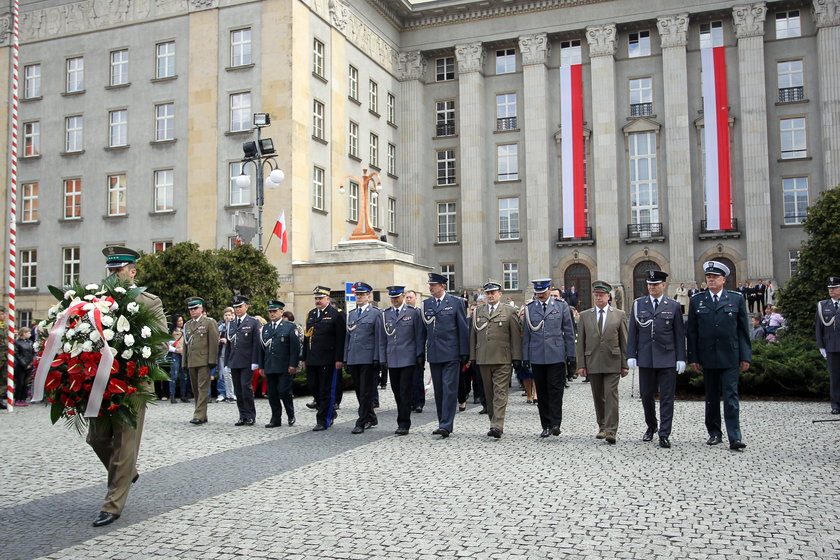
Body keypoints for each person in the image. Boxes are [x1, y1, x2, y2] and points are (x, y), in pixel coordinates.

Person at [88, 246, 166, 527]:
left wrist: (131, 353)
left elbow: (160, 343)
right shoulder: (95, 301)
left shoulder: (148, 302)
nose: (113, 275)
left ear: (132, 272)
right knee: (96, 438)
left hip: (133, 381)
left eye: (118, 270)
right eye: (110, 270)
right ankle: (128, 470)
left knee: (124, 442)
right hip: (100, 380)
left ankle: (113, 504)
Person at [686, 260, 751, 451]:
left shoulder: (736, 299)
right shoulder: (698, 300)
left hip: (730, 355)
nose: (711, 280)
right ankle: (714, 433)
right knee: (711, 397)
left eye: (714, 277)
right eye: (708, 277)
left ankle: (735, 436)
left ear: (724, 279)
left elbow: (743, 331)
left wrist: (745, 356)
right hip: (708, 355)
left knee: (731, 396)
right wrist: (694, 357)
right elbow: (692, 332)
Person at [626, 270, 686, 448]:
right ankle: (651, 426)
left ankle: (664, 433)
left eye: (655, 284)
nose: (652, 287)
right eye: (649, 284)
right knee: (646, 395)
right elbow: (633, 332)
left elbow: (679, 334)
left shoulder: (673, 305)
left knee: (667, 397)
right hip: (646, 357)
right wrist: (631, 355)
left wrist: (681, 358)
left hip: (667, 357)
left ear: (663, 285)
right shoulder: (638, 304)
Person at [576, 280, 628, 444]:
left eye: (601, 295)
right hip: (593, 361)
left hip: (612, 360)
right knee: (598, 396)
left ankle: (612, 430)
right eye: (596, 295)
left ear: (608, 296)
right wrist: (581, 364)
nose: (598, 298)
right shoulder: (585, 315)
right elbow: (580, 342)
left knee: (611, 395)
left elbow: (624, 340)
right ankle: (602, 426)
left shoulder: (619, 315)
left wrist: (625, 364)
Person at [522, 278, 576, 438]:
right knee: (543, 392)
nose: (541, 295)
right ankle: (545, 425)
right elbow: (527, 335)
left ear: (549, 290)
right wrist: (525, 357)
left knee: (556, 390)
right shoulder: (530, 308)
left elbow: (568, 332)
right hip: (537, 355)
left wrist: (571, 354)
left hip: (556, 355)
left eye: (543, 292)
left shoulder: (561, 306)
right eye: (538, 293)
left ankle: (555, 423)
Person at [469, 281, 522, 439]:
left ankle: (497, 425)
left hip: (502, 358)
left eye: (493, 293)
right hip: (484, 358)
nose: (490, 296)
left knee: (500, 392)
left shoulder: (509, 311)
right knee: (489, 392)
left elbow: (515, 337)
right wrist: (473, 356)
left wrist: (517, 357)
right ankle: (493, 420)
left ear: (500, 294)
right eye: (488, 293)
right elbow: (473, 335)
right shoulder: (479, 311)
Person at [422, 272, 469, 439]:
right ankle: (442, 420)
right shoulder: (426, 304)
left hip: (451, 353)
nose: (430, 287)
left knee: (449, 389)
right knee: (440, 391)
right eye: (430, 285)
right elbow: (423, 331)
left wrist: (464, 352)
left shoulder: (456, 303)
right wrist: (421, 353)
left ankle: (446, 424)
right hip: (434, 352)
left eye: (433, 285)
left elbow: (463, 329)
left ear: (442, 286)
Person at [381, 286, 426, 435]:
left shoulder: (413, 313)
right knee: (396, 391)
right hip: (392, 358)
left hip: (408, 358)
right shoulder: (386, 314)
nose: (394, 299)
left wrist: (420, 354)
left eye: (397, 297)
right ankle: (402, 418)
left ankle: (404, 423)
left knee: (405, 391)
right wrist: (382, 358)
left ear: (403, 296)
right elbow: (383, 339)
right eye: (392, 297)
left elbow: (419, 335)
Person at [302, 286, 346, 431]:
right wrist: (304, 357)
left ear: (327, 298)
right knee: (314, 388)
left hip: (328, 358)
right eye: (316, 298)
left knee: (325, 390)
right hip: (313, 358)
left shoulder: (336, 314)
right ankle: (329, 412)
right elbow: (307, 337)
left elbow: (340, 339)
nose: (318, 301)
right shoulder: (311, 314)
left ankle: (323, 420)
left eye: (320, 298)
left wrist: (339, 359)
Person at [344, 282, 385, 434]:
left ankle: (361, 421)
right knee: (359, 391)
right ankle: (371, 417)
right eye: (358, 295)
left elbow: (378, 338)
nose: (359, 297)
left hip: (368, 358)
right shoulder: (352, 314)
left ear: (368, 296)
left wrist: (377, 358)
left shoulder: (376, 313)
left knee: (366, 392)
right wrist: (346, 358)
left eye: (362, 295)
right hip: (354, 357)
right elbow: (348, 338)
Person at [259, 300, 299, 427]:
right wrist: (261, 366)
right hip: (270, 365)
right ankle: (275, 418)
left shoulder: (290, 327)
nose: (272, 314)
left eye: (274, 311)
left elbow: (295, 348)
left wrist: (293, 364)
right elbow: (261, 349)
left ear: (281, 312)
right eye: (270, 311)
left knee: (284, 391)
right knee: (272, 394)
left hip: (284, 366)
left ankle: (290, 414)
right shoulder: (265, 328)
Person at [182, 297, 220, 425]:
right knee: (196, 389)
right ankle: (202, 414)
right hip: (192, 361)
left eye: (195, 308)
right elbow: (185, 345)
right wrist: (184, 362)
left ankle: (198, 414)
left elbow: (214, 343)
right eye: (190, 309)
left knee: (202, 388)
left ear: (201, 308)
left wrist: (212, 360)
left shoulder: (209, 322)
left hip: (204, 360)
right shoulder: (187, 325)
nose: (193, 311)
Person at [225, 295, 260, 426]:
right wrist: (227, 363)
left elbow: (256, 343)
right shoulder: (231, 323)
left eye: (240, 306)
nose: (238, 309)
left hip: (247, 361)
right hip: (234, 361)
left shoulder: (252, 322)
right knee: (238, 390)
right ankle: (242, 415)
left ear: (246, 307)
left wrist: (255, 361)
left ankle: (251, 415)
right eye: (236, 307)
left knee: (246, 388)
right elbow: (229, 345)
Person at [815, 276, 840, 415]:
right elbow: (819, 328)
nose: (831, 291)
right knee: (834, 377)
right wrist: (821, 346)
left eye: (835, 288)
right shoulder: (823, 305)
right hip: (831, 346)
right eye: (830, 288)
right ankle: (836, 405)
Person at [216, 307, 236, 403]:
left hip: (232, 353)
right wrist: (220, 340)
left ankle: (232, 394)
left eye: (229, 315)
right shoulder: (221, 327)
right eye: (226, 315)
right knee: (223, 374)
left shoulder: (235, 325)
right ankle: (226, 394)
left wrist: (227, 341)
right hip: (222, 352)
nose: (227, 317)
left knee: (230, 374)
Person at [167, 315, 188, 404]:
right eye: (179, 321)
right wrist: (176, 349)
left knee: (184, 376)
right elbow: (167, 344)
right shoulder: (171, 332)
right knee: (174, 375)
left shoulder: (185, 330)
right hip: (175, 354)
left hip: (184, 354)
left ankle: (183, 395)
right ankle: (172, 395)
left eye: (182, 320)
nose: (181, 322)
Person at [13, 327, 34, 406]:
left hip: (29, 364)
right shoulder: (17, 342)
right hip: (20, 366)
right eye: (28, 333)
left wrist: (31, 363)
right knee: (20, 383)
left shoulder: (30, 342)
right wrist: (24, 364)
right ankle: (18, 398)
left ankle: (23, 398)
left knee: (26, 383)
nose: (30, 334)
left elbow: (33, 353)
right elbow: (17, 354)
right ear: (23, 333)